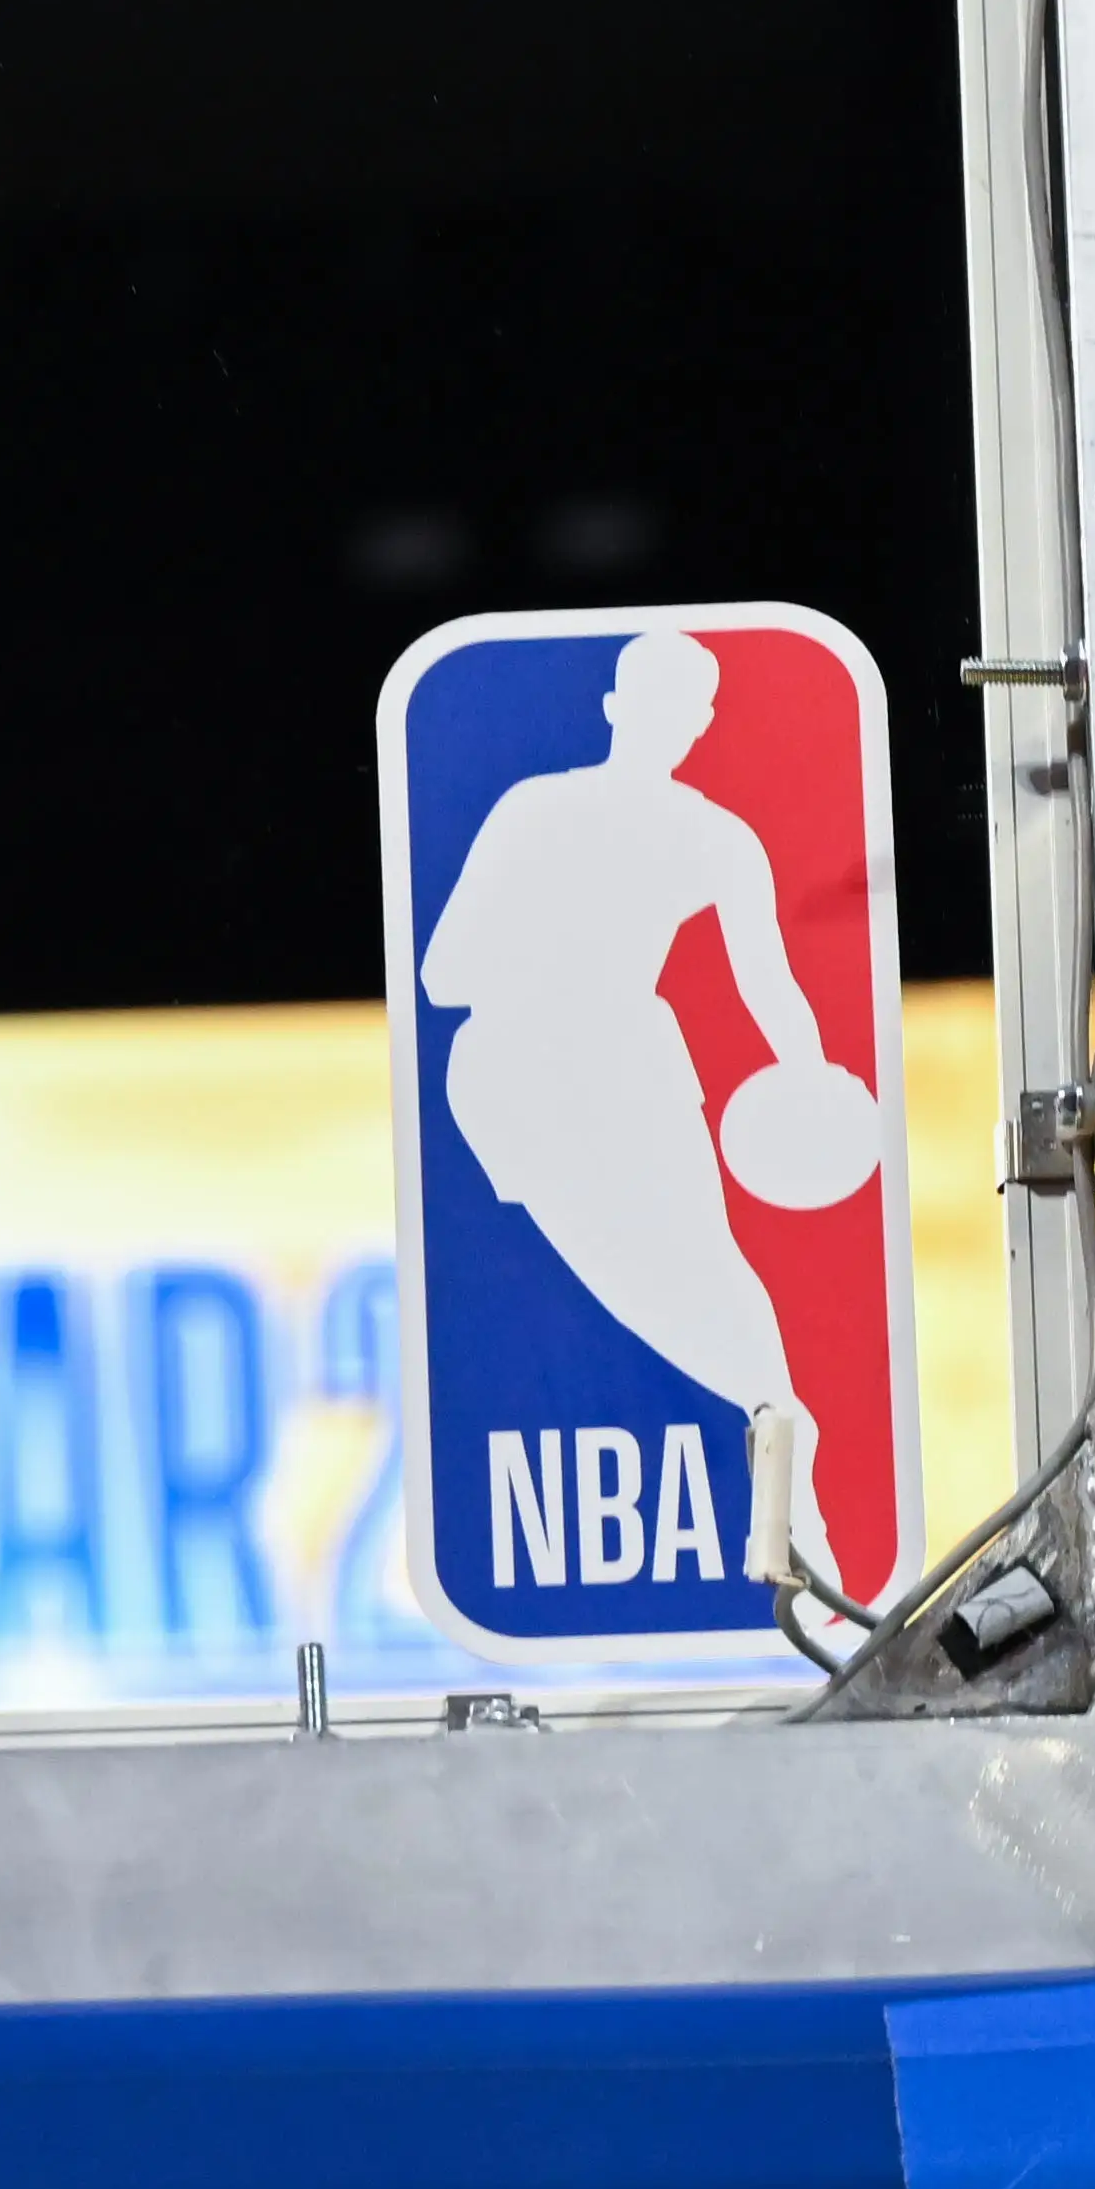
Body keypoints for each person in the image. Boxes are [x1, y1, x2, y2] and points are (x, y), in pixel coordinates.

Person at [416, 628, 845, 1591]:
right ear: (678, 722)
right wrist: (808, 1075)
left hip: (595, 1068)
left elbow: (769, 988)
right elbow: (442, 976)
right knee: (662, 1276)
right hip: (533, 1077)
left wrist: (812, 1086)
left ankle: (785, 1461)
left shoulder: (616, 822)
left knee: (692, 1270)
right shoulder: (648, 828)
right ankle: (781, 1445)